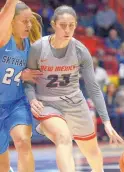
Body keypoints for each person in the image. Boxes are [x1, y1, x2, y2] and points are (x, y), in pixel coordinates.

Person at [25, 5, 124, 172]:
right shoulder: (38, 48)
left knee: (93, 154)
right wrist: (32, 98)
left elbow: (93, 87)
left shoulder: (80, 50)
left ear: (76, 25)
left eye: (71, 25)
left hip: (75, 103)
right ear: (54, 24)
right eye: (63, 25)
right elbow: (28, 81)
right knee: (63, 138)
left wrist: (106, 122)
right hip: (47, 104)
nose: (67, 29)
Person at [0, 1, 42, 172]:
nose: (29, 25)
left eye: (30, 21)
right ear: (11, 21)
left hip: (17, 103)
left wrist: (26, 76)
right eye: (24, 21)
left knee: (23, 141)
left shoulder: (31, 46)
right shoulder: (3, 40)